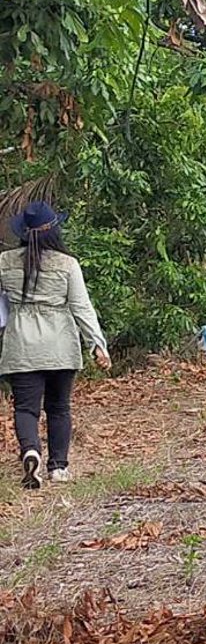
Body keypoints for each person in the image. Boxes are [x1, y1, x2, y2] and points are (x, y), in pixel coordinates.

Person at [0, 200, 109, 488]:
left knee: (26, 408)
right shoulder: (67, 264)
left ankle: (31, 450)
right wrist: (97, 344)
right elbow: (81, 307)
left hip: (22, 345)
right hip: (60, 345)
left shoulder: (4, 262)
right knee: (59, 407)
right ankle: (58, 468)